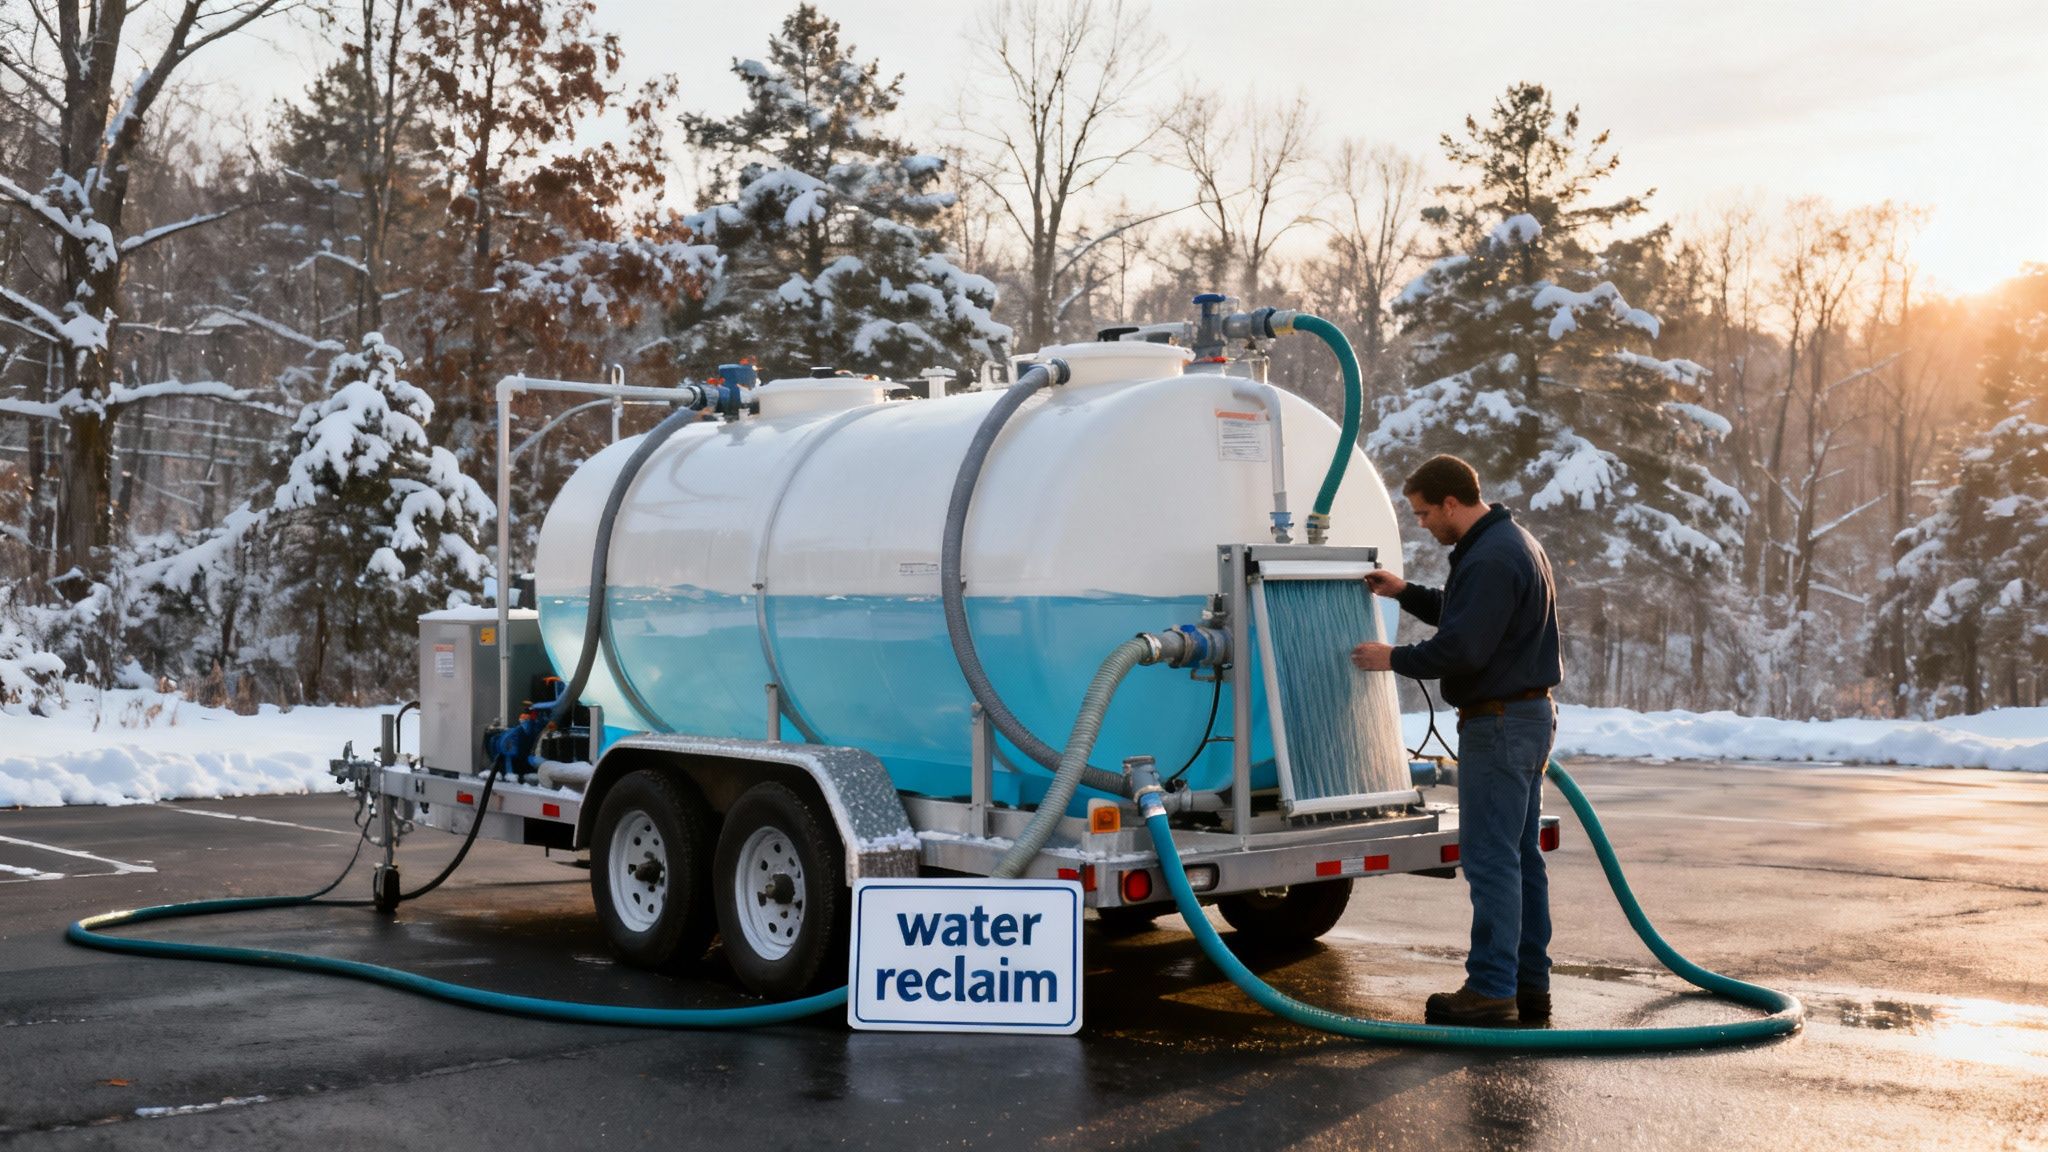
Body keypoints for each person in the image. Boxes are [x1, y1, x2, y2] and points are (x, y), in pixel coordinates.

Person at [1350, 455, 1562, 1028]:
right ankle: (1527, 984)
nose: (1420, 523)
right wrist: (1405, 593)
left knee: (1491, 860)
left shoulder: (1491, 557)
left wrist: (1390, 658)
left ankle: (1492, 989)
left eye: (1422, 512)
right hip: (1524, 718)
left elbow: (1465, 648)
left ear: (1450, 503)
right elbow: (1471, 618)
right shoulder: (1509, 543)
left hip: (1498, 725)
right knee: (1518, 858)